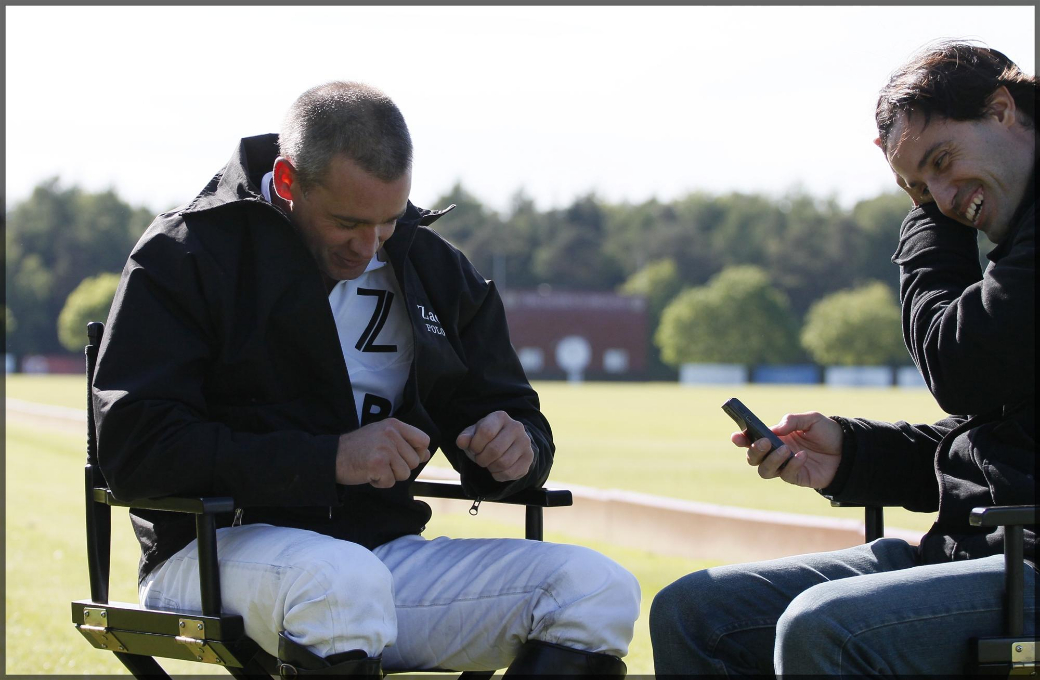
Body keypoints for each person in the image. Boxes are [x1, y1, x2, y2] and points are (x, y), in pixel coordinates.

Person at [93, 81, 639, 676]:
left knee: (594, 591)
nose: (369, 247)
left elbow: (513, 413)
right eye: (347, 223)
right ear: (288, 181)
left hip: (379, 560)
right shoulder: (186, 252)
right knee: (340, 586)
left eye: (388, 222)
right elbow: (134, 448)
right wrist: (329, 459)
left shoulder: (430, 265)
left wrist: (518, 450)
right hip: (207, 554)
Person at [649, 41, 1035, 676]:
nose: (942, 198)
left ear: (1001, 110)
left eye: (941, 162)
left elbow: (957, 369)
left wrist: (927, 217)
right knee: (695, 612)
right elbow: (1001, 443)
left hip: (1025, 565)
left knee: (823, 629)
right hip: (984, 553)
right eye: (919, 187)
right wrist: (852, 455)